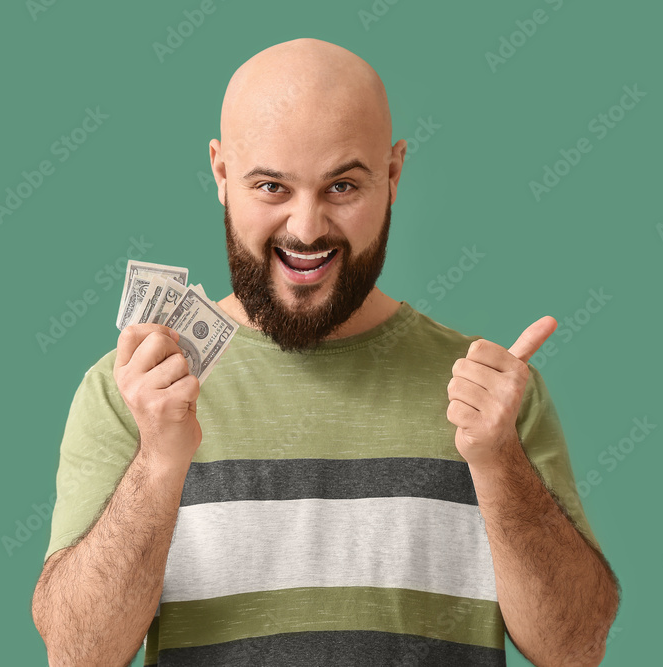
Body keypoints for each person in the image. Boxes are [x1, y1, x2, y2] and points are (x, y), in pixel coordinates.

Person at [31, 37, 620, 667]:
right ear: (222, 174)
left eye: (341, 186)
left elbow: (575, 647)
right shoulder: (132, 388)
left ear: (392, 176)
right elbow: (78, 655)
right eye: (272, 187)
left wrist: (500, 462)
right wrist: (156, 462)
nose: (306, 229)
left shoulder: (492, 397)